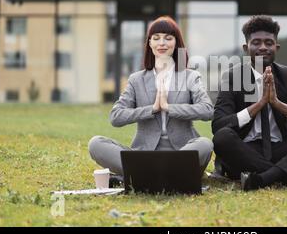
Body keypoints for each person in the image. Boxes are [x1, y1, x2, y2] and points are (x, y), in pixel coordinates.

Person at [211, 15, 287, 191]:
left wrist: (278, 104)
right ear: (246, 48)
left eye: (269, 43)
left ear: (276, 47)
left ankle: (263, 179)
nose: (263, 47)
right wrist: (258, 105)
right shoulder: (232, 77)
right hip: (245, 152)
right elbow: (218, 125)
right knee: (222, 137)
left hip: (280, 150)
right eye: (256, 42)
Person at [89, 16, 214, 185]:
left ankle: (144, 176)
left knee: (205, 144)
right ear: (149, 44)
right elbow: (116, 117)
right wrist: (152, 109)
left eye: (168, 38)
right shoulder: (136, 79)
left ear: (176, 44)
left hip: (181, 152)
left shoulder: (190, 76)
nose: (162, 43)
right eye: (156, 38)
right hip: (144, 155)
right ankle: (165, 176)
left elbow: (207, 110)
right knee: (96, 143)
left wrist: (169, 107)